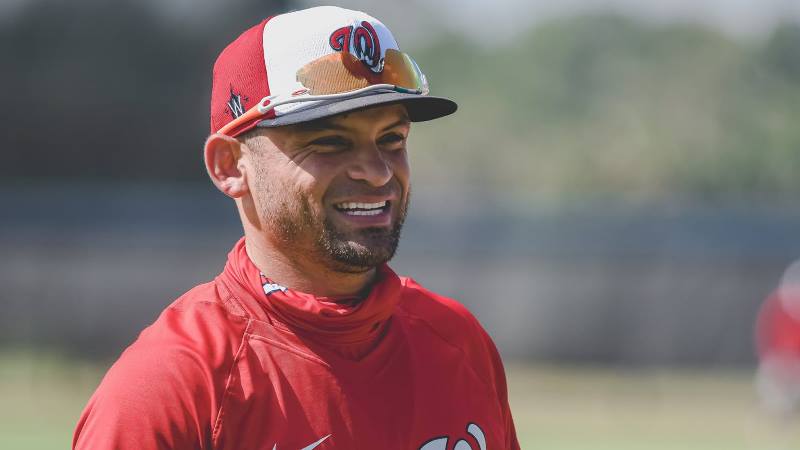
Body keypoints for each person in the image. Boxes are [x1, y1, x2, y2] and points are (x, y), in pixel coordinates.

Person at [73, 6, 519, 450]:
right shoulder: (170, 384)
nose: (378, 172)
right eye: (331, 142)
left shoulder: (458, 340)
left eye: (392, 139)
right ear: (230, 166)